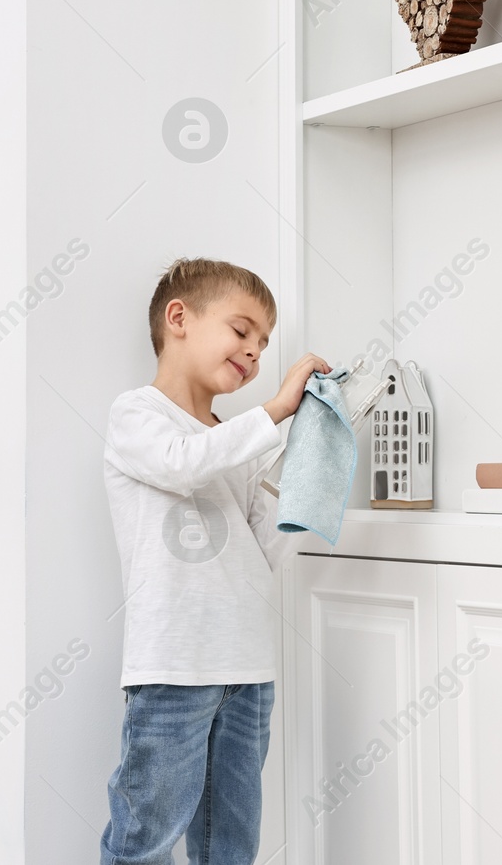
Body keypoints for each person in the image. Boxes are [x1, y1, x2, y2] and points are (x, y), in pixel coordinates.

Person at [99, 257, 330, 865]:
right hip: (174, 668)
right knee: (144, 839)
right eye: (242, 330)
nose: (254, 352)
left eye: (263, 343)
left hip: (247, 669)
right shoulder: (138, 416)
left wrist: (310, 461)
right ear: (179, 318)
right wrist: (276, 412)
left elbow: (263, 550)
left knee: (229, 846)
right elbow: (182, 463)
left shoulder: (237, 439)